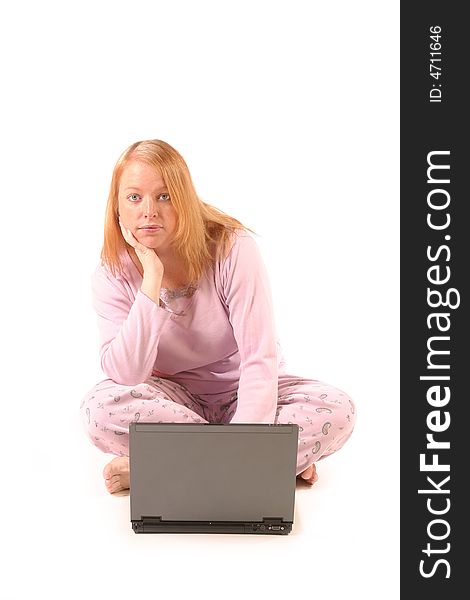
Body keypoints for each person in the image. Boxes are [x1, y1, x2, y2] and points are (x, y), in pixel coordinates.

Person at [80, 139, 356, 494]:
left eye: (164, 196)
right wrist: (152, 277)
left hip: (243, 390)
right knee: (98, 410)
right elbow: (127, 374)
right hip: (171, 398)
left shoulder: (232, 247)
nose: (149, 210)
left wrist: (243, 437)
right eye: (135, 197)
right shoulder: (110, 274)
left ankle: (162, 470)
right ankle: (264, 463)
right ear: (117, 207)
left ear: (184, 198)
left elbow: (259, 358)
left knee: (338, 409)